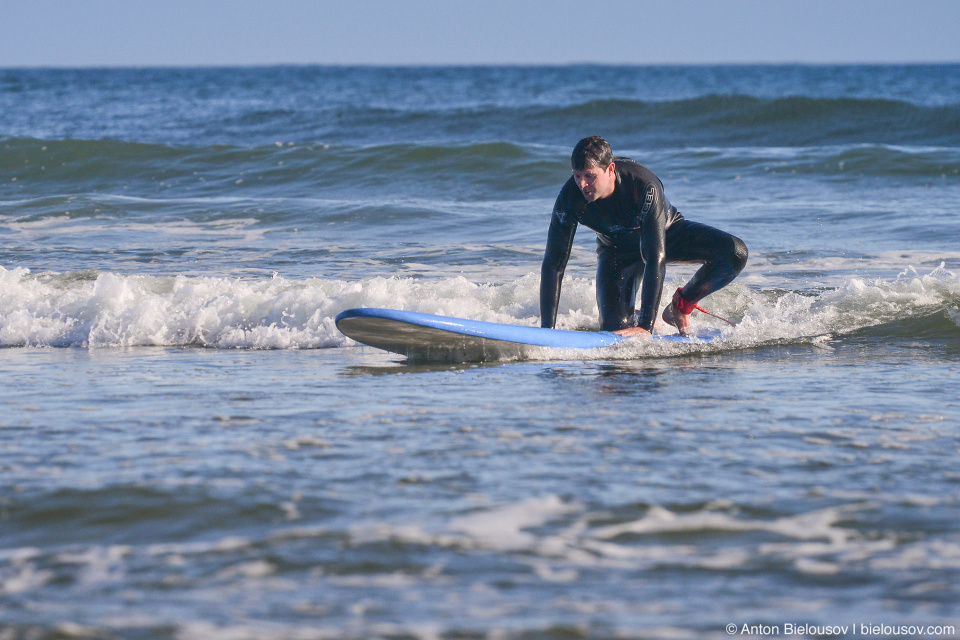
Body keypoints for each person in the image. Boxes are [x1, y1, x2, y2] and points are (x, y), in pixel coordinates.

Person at [540, 136, 747, 337]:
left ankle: (680, 307)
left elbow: (654, 257)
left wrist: (645, 328)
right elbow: (554, 263)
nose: (582, 185)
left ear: (610, 169)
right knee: (615, 333)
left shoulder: (643, 186)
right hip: (616, 252)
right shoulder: (569, 198)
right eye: (577, 176)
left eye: (590, 176)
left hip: (665, 235)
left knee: (734, 253)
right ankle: (634, 315)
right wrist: (547, 330)